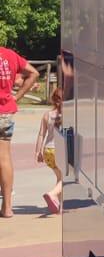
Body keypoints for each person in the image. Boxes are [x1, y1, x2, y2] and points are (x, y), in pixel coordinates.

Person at [0, 45, 40, 218]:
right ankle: (7, 207)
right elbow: (34, 73)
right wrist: (17, 97)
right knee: (4, 158)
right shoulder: (9, 55)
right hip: (5, 112)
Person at [34, 86, 64, 214]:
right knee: (66, 179)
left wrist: (38, 152)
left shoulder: (47, 115)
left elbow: (41, 134)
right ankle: (52, 194)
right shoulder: (68, 114)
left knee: (60, 177)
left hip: (48, 152)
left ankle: (60, 205)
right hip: (61, 151)